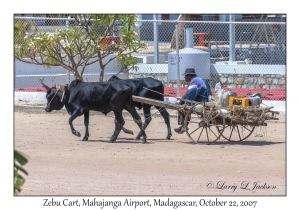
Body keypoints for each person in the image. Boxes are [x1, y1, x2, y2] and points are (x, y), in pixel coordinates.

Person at [174, 68, 209, 134]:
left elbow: (191, 93)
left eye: (186, 75)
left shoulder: (195, 81)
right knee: (184, 104)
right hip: (201, 99)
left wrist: (182, 100)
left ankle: (184, 125)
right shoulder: (197, 79)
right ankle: (183, 126)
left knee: (182, 106)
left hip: (200, 101)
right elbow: (190, 93)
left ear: (190, 75)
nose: (184, 77)